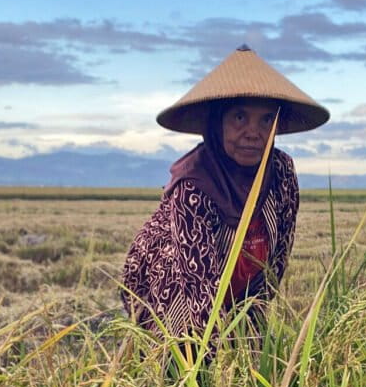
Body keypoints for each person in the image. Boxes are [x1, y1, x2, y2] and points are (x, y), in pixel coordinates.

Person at [120, 45, 329, 344]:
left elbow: (279, 254)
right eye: (240, 118)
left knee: (251, 343)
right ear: (216, 123)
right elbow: (197, 283)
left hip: (241, 282)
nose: (253, 133)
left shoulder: (280, 170)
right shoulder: (194, 183)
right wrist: (218, 364)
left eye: (266, 120)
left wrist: (252, 329)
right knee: (186, 352)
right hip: (173, 282)